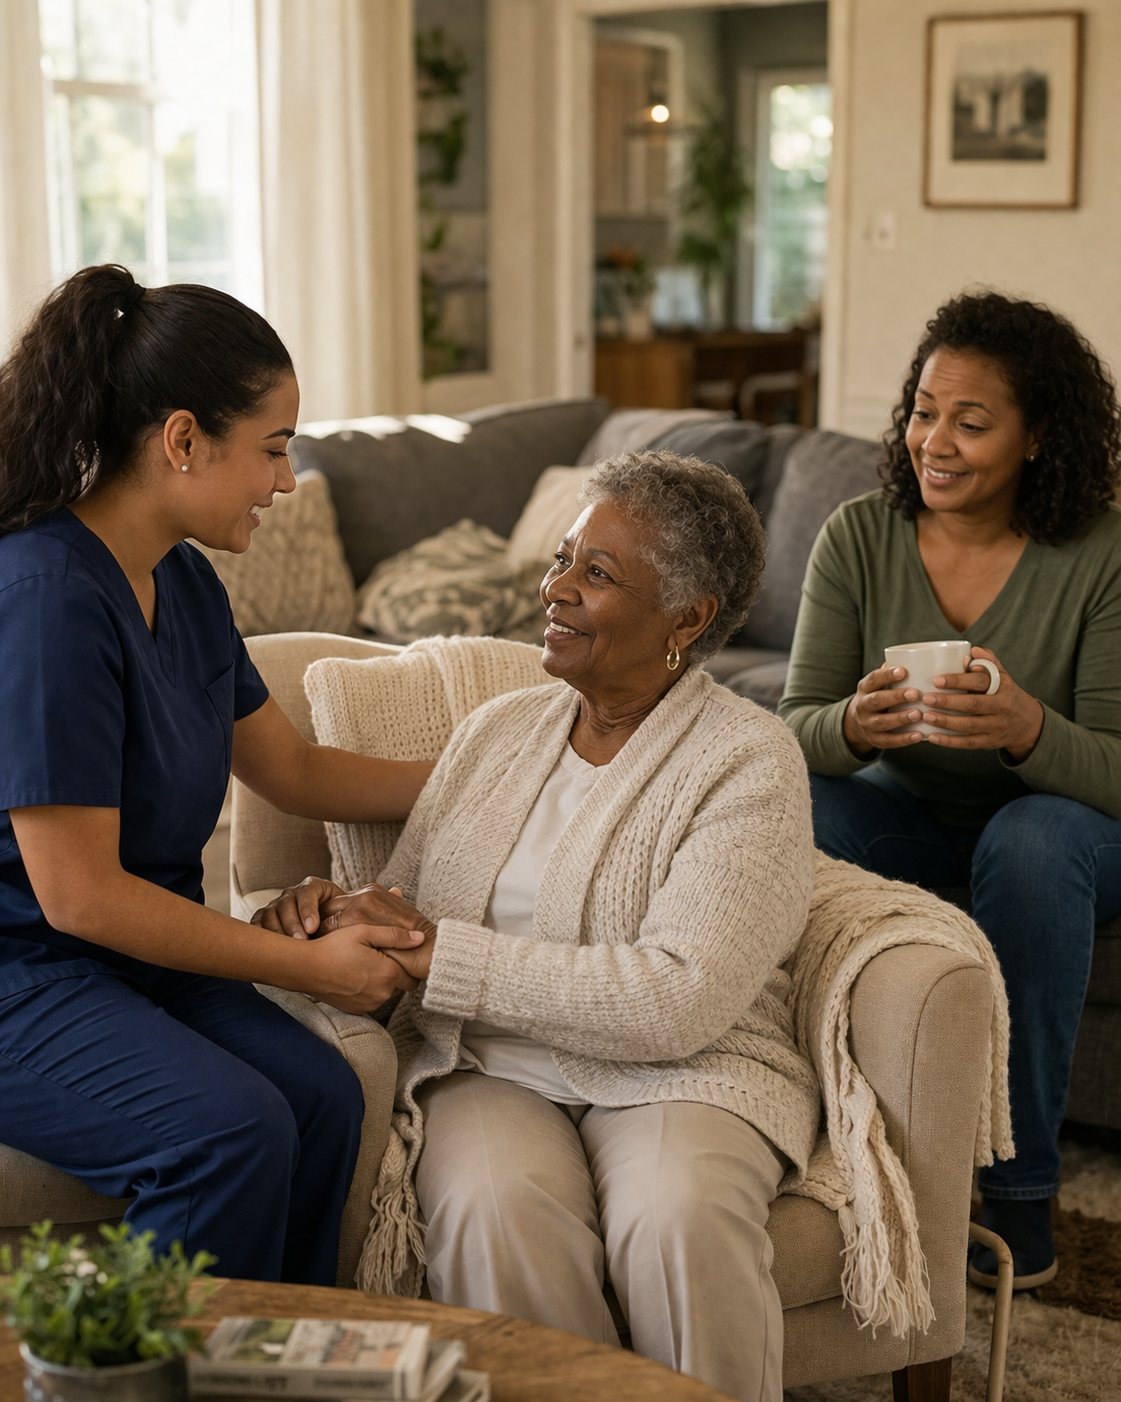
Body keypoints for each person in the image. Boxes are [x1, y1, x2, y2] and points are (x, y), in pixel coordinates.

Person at [258, 452, 819, 1402]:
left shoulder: (748, 760)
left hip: (683, 1073)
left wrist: (441, 950)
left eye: (597, 574)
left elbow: (678, 1001)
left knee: (676, 1217)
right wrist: (328, 914)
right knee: (489, 1209)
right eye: (564, 557)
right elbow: (407, 908)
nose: (554, 588)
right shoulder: (499, 729)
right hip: (489, 1063)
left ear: (688, 617)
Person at [0, 265, 432, 1285]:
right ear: (183, 439)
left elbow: (293, 769)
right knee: (229, 1132)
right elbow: (77, 895)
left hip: (132, 958)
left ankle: (276, 1368)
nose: (285, 482)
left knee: (324, 1097)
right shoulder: (47, 600)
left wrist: (504, 764)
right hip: (25, 971)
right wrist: (305, 966)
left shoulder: (184, 583)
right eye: (273, 451)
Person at [777, 291, 1121, 1291]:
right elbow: (792, 724)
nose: (935, 440)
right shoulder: (857, 534)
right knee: (805, 807)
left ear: (1036, 437)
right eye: (923, 411)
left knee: (1029, 839)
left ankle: (1017, 1197)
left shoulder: (1099, 552)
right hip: (916, 825)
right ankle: (820, 1140)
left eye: (970, 422)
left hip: (1070, 841)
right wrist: (848, 726)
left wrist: (1025, 730)